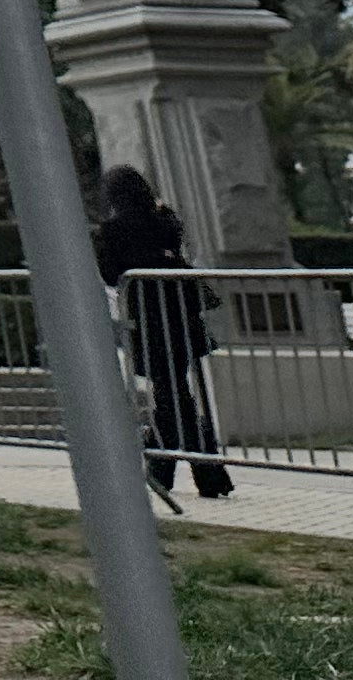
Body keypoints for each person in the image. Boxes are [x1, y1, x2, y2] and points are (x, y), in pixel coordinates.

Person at [94, 164, 233, 498]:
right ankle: (192, 470)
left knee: (170, 393)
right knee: (176, 392)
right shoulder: (165, 222)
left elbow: (111, 274)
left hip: (147, 316)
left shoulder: (112, 231)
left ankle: (169, 466)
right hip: (181, 315)